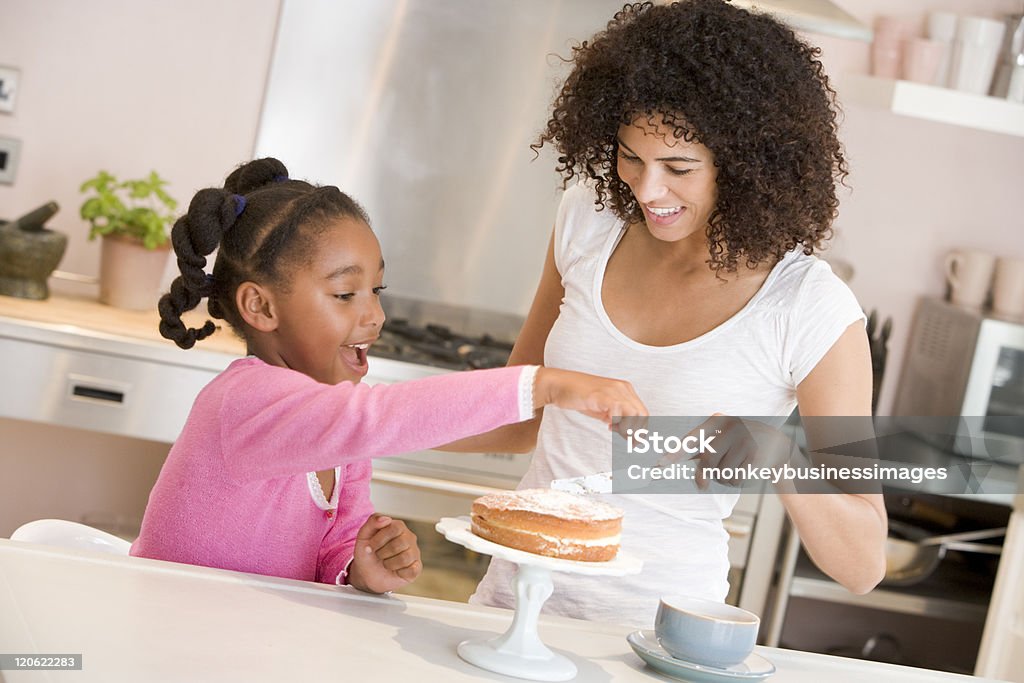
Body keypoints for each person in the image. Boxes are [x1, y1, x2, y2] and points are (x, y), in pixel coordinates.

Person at [456, 0, 887, 626]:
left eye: (678, 167)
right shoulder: (587, 222)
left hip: (663, 637)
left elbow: (864, 562)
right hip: (512, 608)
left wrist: (776, 455)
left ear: (745, 163)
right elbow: (520, 412)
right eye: (631, 156)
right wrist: (351, 426)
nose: (646, 189)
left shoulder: (809, 307)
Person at [130, 157, 647, 595]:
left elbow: (334, 544)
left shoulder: (337, 423)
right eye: (344, 294)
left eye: (376, 291)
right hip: (171, 638)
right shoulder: (245, 400)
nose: (374, 316)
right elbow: (374, 418)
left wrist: (361, 567)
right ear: (260, 307)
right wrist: (544, 383)